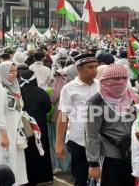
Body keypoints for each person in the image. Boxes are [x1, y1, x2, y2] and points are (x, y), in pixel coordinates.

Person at [86, 64, 139, 186]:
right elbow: (91, 135)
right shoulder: (96, 103)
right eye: (115, 79)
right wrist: (93, 164)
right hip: (109, 157)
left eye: (123, 78)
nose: (120, 82)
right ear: (104, 81)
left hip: (134, 155)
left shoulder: (134, 98)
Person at [56, 54, 99, 186]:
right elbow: (63, 116)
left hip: (99, 139)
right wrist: (59, 142)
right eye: (90, 67)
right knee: (80, 177)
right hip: (78, 140)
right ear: (79, 68)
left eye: (96, 67)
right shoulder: (69, 89)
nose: (95, 70)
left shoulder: (101, 86)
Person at [0, 62, 28, 185]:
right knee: (4, 160)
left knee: (15, 159)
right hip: (2, 132)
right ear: (3, 72)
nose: (13, 74)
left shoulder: (13, 85)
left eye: (15, 71)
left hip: (13, 130)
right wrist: (4, 136)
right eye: (10, 72)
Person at [19, 70, 53, 185]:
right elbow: (48, 107)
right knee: (41, 147)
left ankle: (29, 178)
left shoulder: (19, 93)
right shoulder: (41, 92)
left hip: (25, 125)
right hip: (40, 125)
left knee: (28, 150)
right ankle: (45, 176)